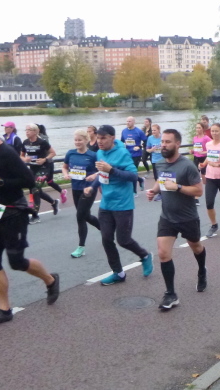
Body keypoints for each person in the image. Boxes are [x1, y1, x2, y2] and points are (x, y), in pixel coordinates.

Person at [0, 113, 59, 328]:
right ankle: (4, 310)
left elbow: (28, 181)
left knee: (16, 262)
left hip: (14, 213)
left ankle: (50, 280)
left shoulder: (7, 152)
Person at [84, 125, 153, 286]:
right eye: (98, 138)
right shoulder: (100, 153)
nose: (99, 141)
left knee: (123, 240)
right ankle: (118, 273)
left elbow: (133, 176)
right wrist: (92, 187)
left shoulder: (122, 153)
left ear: (112, 138)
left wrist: (112, 170)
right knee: (106, 239)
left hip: (123, 204)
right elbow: (102, 173)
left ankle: (145, 256)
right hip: (106, 203)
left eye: (103, 138)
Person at [146, 129, 206, 310]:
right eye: (162, 142)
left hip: (187, 217)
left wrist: (178, 187)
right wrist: (154, 190)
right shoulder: (160, 164)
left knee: (196, 246)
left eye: (167, 142)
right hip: (167, 217)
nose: (163, 145)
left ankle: (202, 270)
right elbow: (161, 181)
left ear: (177, 144)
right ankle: (170, 294)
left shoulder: (187, 166)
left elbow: (199, 191)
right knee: (163, 253)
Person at [62, 129, 100, 258]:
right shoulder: (71, 153)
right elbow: (64, 167)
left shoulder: (93, 155)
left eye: (80, 140)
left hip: (88, 189)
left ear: (86, 140)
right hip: (76, 188)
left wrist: (94, 175)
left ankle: (81, 247)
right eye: (76, 140)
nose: (77, 142)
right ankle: (105, 230)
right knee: (86, 216)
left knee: (80, 216)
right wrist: (65, 174)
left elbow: (101, 170)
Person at [21, 123, 59, 224]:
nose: (27, 132)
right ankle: (54, 202)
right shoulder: (25, 142)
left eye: (29, 130)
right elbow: (21, 156)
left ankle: (35, 215)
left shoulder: (42, 142)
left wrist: (44, 159)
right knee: (38, 191)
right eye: (26, 130)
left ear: (35, 131)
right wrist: (25, 159)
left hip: (44, 168)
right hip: (33, 168)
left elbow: (53, 153)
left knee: (35, 189)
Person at [200, 123, 220, 237]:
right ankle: (214, 225)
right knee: (209, 203)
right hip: (210, 178)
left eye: (216, 131)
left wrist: (217, 165)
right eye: (212, 131)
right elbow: (209, 156)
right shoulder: (208, 144)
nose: (214, 133)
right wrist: (203, 164)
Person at [37, 124, 67, 205]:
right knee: (49, 181)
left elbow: (45, 149)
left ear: (38, 130)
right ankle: (62, 191)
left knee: (39, 185)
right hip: (40, 164)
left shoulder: (43, 138)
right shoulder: (31, 140)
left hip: (48, 163)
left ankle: (35, 202)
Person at [121, 116, 147, 197]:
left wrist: (139, 146)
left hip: (136, 154)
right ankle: (140, 179)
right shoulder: (124, 131)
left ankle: (134, 191)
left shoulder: (139, 131)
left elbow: (146, 141)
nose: (128, 123)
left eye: (129, 121)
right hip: (127, 154)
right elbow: (122, 142)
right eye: (127, 121)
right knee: (128, 172)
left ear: (133, 122)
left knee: (133, 172)